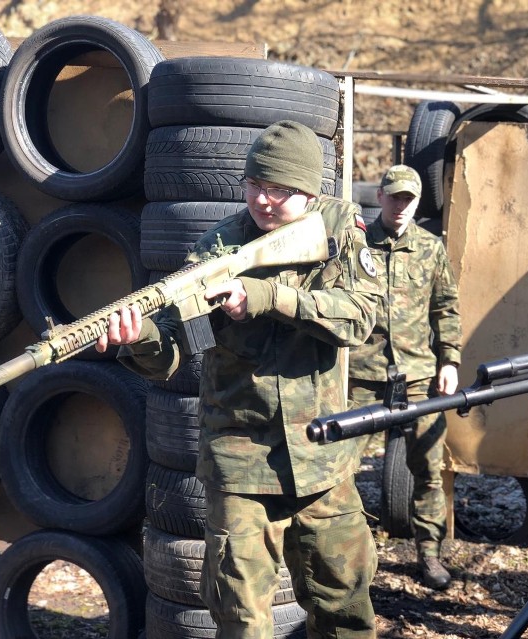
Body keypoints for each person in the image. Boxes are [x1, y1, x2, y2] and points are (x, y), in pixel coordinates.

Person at [96, 120, 383, 638]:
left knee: (345, 608)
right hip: (240, 459)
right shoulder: (217, 248)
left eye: (280, 190)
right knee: (241, 616)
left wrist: (270, 298)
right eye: (255, 185)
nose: (265, 200)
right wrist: (138, 337)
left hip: (322, 456)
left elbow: (360, 319)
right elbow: (179, 349)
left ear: (310, 191)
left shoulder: (338, 228)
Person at [347, 164, 462, 590]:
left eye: (408, 198)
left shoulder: (431, 248)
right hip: (363, 373)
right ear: (379, 196)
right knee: (343, 466)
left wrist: (450, 360)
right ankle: (350, 553)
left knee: (428, 468)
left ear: (417, 202)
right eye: (394, 196)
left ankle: (429, 554)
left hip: (418, 374)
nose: (400, 205)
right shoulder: (356, 245)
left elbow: (446, 308)